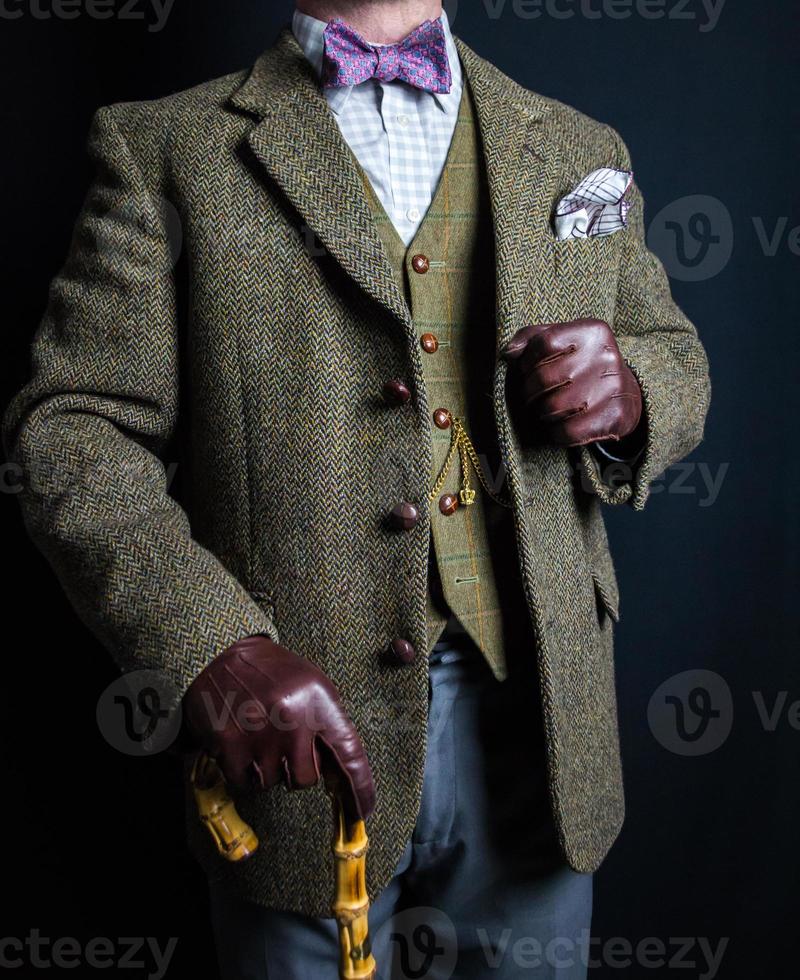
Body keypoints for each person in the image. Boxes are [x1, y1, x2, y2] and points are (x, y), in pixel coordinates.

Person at [4, 1, 711, 977]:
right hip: (293, 731)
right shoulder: (162, 148)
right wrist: (209, 641)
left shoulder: (577, 145)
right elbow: (72, 432)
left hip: (541, 717)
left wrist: (632, 393)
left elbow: (673, 355)